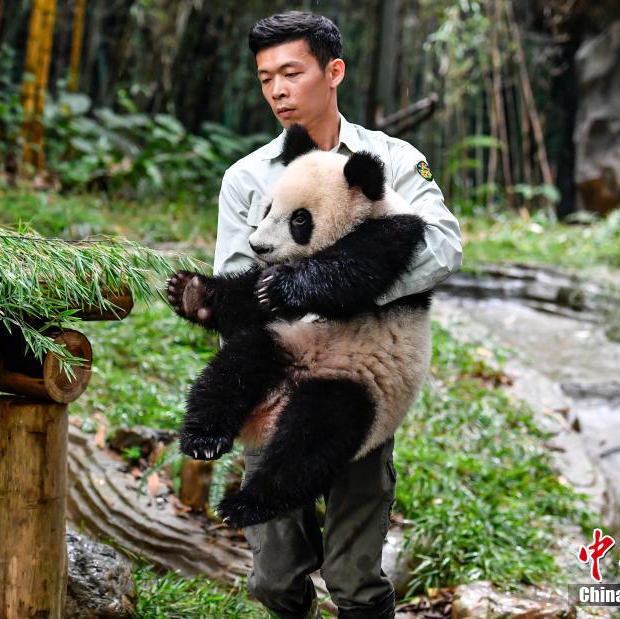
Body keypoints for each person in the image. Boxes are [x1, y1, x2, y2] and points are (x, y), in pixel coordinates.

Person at [213, 11, 463, 619]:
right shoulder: (248, 177)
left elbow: (442, 246)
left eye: (291, 72)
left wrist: (337, 289)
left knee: (355, 580)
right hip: (279, 379)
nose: (277, 89)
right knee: (273, 579)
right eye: (266, 77)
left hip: (361, 384)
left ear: (334, 72)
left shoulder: (394, 160)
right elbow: (232, 284)